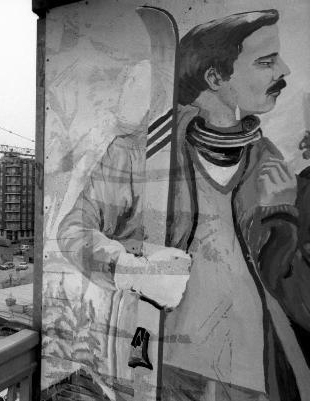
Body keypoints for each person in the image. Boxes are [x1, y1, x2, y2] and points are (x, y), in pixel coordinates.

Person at [57, 8, 310, 401]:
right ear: (215, 77)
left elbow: (287, 278)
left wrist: (283, 217)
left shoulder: (268, 161)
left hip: (257, 371)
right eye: (266, 61)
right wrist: (129, 269)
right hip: (166, 366)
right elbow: (74, 232)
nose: (285, 70)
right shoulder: (138, 155)